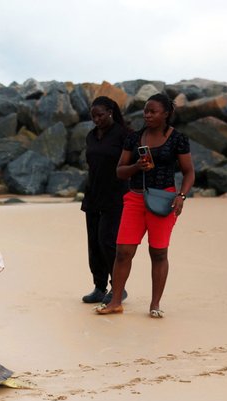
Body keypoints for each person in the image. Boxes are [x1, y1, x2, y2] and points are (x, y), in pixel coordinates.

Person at [95, 93, 195, 318]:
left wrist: (181, 196)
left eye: (153, 111)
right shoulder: (134, 138)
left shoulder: (178, 139)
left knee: (158, 253)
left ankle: (155, 304)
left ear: (166, 114)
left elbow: (189, 172)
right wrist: (137, 167)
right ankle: (116, 301)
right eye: (146, 111)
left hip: (164, 200)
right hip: (135, 198)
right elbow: (120, 171)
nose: (147, 115)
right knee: (123, 252)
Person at [80, 96, 129, 305]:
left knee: (107, 242)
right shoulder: (91, 136)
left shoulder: (124, 134)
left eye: (100, 115)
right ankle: (99, 287)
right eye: (93, 116)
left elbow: (132, 165)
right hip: (93, 195)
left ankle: (118, 287)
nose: (97, 119)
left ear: (110, 111)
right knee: (94, 243)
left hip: (115, 195)